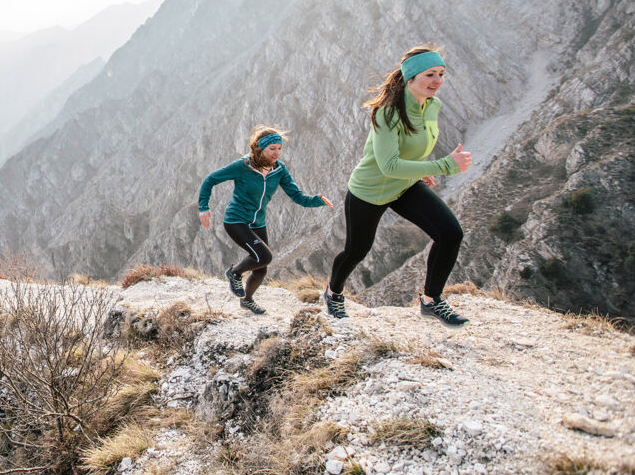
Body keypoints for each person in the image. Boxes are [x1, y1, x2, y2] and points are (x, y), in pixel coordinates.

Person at [323, 45, 473, 327]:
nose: (437, 81)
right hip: (370, 191)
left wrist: (418, 171)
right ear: (410, 78)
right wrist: (444, 166)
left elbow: (412, 147)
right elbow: (388, 165)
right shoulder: (387, 112)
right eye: (430, 74)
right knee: (357, 250)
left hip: (404, 186)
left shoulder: (432, 105)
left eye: (441, 74)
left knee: (450, 233)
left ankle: (431, 301)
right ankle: (333, 293)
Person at [198, 126, 333, 315]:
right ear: (260, 149)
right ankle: (234, 273)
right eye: (272, 149)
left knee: (261, 268)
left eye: (279, 148)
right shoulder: (242, 166)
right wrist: (203, 207)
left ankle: (247, 300)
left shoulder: (279, 169)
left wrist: (317, 200)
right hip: (236, 220)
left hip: (258, 222)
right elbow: (210, 179)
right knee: (264, 256)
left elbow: (296, 196)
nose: (277, 153)